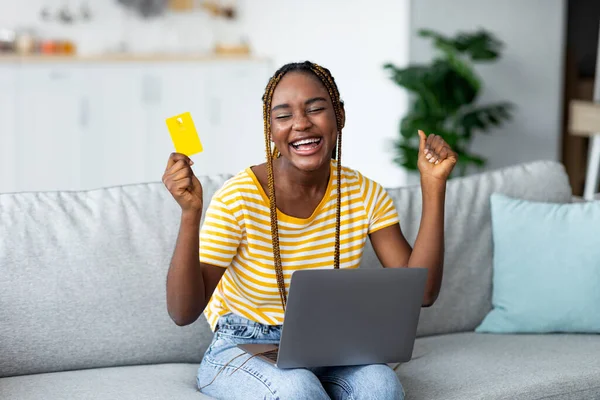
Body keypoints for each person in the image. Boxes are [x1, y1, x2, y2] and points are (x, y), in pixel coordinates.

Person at [162, 61, 457, 400]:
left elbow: (422, 294)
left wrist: (433, 186)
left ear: (340, 116)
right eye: (284, 116)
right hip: (245, 344)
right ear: (270, 129)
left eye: (316, 109)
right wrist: (190, 213)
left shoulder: (364, 193)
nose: (301, 124)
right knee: (296, 391)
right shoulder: (238, 197)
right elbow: (183, 313)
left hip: (332, 343)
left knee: (381, 385)